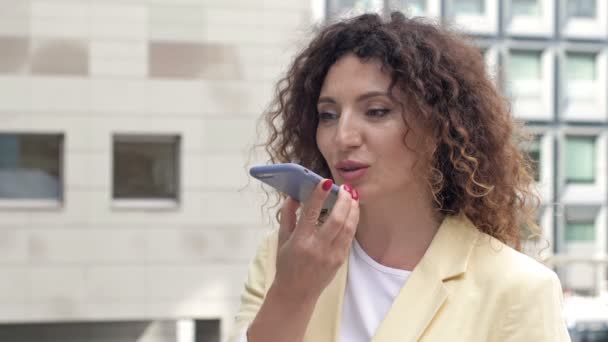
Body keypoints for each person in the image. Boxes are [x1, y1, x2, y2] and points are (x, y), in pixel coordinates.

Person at [228, 11, 570, 342]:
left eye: (377, 111)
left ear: (439, 127)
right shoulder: (287, 256)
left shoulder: (517, 288)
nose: (343, 136)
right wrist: (292, 294)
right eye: (328, 115)